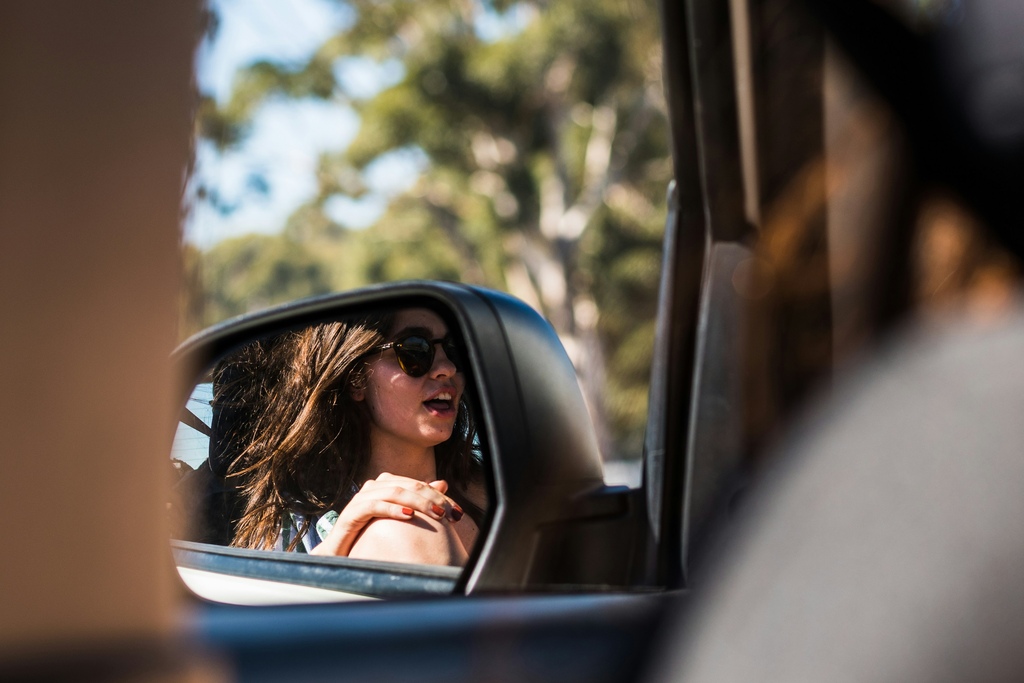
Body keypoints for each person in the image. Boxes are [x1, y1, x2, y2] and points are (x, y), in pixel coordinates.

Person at [218, 307, 487, 567]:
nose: (447, 367)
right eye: (415, 350)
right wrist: (326, 562)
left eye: (453, 348)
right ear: (356, 379)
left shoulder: (500, 489)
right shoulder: (298, 526)